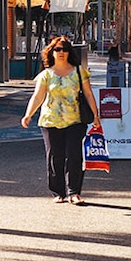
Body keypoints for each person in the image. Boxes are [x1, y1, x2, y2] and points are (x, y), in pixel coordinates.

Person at [20, 36, 100, 205]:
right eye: (57, 49)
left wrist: (95, 115)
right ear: (52, 52)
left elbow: (88, 94)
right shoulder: (46, 75)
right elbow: (38, 97)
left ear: (69, 52)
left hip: (75, 121)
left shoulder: (79, 71)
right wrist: (28, 115)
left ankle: (74, 192)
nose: (61, 52)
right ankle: (58, 192)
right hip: (50, 121)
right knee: (54, 157)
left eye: (64, 49)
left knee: (74, 155)